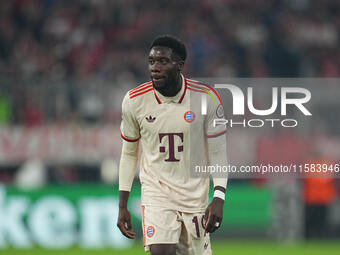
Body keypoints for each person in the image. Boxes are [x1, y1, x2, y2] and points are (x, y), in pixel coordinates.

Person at [117, 35, 228, 255]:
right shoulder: (135, 100)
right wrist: (122, 205)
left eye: (162, 62)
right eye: (151, 62)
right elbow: (129, 153)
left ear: (179, 65)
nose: (155, 68)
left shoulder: (206, 98)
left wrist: (219, 197)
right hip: (157, 192)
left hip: (194, 195)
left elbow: (217, 151)